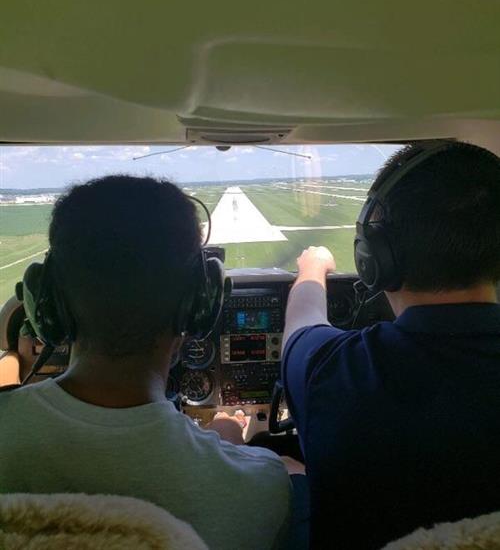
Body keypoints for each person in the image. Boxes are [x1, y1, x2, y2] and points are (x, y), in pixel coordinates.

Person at [0, 175, 291, 550]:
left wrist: (9, 362)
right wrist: (227, 442)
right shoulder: (261, 489)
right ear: (200, 305)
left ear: (48, 304)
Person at [282, 142, 500, 550]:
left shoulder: (332, 371)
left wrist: (313, 267)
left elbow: (301, 324)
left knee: (287, 469)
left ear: (373, 257)